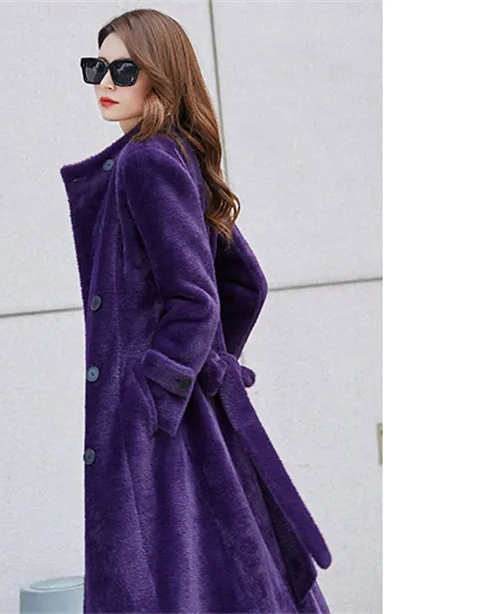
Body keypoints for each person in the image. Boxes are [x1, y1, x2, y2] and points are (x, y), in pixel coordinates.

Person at [60, 8, 332, 613]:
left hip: (151, 421)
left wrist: (153, 394)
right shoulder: (173, 154)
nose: (105, 83)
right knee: (218, 570)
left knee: (160, 581)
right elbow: (244, 284)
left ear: (160, 74)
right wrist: (204, 372)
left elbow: (197, 297)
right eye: (96, 68)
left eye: (123, 70)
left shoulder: (145, 160)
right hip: (183, 415)